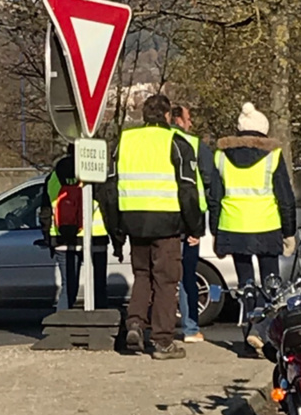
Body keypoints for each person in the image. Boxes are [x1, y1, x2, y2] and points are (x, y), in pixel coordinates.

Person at [108, 94, 203, 360]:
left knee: (142, 275)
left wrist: (116, 228)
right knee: (166, 280)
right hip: (167, 222)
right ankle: (163, 341)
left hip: (133, 221)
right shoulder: (177, 142)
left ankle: (135, 323)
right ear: (167, 117)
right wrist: (195, 226)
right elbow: (188, 190)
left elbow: (110, 188)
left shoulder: (125, 141)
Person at [209, 102, 296, 354]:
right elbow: (286, 198)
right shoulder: (274, 156)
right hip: (267, 226)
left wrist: (216, 232)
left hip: (233, 226)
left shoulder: (221, 156)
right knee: (271, 284)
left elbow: (214, 198)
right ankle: (268, 336)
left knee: (246, 283)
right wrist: (289, 232)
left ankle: (249, 334)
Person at [38, 144, 115, 311]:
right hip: (96, 238)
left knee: (68, 288)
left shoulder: (53, 177)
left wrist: (48, 237)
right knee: (99, 288)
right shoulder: (95, 176)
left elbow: (45, 210)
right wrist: (117, 240)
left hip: (63, 238)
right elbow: (109, 208)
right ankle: (101, 327)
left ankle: (61, 325)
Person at [171, 104, 213, 343]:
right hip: (190, 219)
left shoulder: (159, 144)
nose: (191, 123)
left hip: (162, 217)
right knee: (188, 274)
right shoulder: (195, 146)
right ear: (178, 119)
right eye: (188, 118)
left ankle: (162, 326)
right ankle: (189, 328)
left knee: (163, 275)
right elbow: (209, 181)